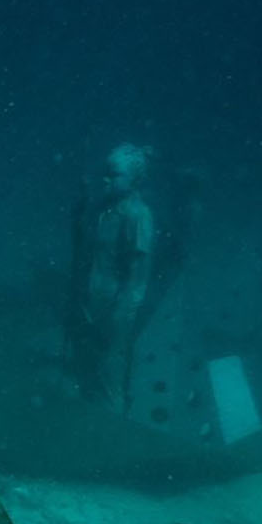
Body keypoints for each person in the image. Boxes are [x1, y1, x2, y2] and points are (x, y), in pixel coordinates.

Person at [75, 143, 158, 408]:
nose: (106, 179)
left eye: (114, 174)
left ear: (134, 180)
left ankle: (113, 420)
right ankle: (87, 411)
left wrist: (121, 313)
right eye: (105, 173)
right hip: (93, 299)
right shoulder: (104, 210)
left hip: (115, 306)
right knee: (87, 361)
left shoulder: (138, 216)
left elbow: (138, 277)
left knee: (111, 366)